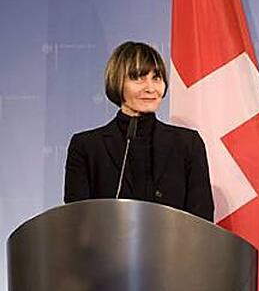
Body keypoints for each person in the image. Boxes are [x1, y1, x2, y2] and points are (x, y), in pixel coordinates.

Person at [64, 41, 214, 221]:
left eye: (156, 78)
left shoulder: (188, 144)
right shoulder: (86, 146)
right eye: (139, 78)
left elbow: (201, 221)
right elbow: (77, 222)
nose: (150, 88)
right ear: (117, 81)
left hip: (175, 241)